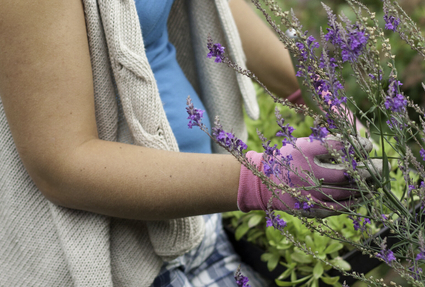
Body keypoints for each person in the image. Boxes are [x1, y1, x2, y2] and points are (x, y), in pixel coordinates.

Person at [0, 0, 367, 286]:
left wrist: (309, 91)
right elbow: (63, 165)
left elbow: (211, 7)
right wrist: (264, 178)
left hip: (199, 222)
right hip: (120, 260)